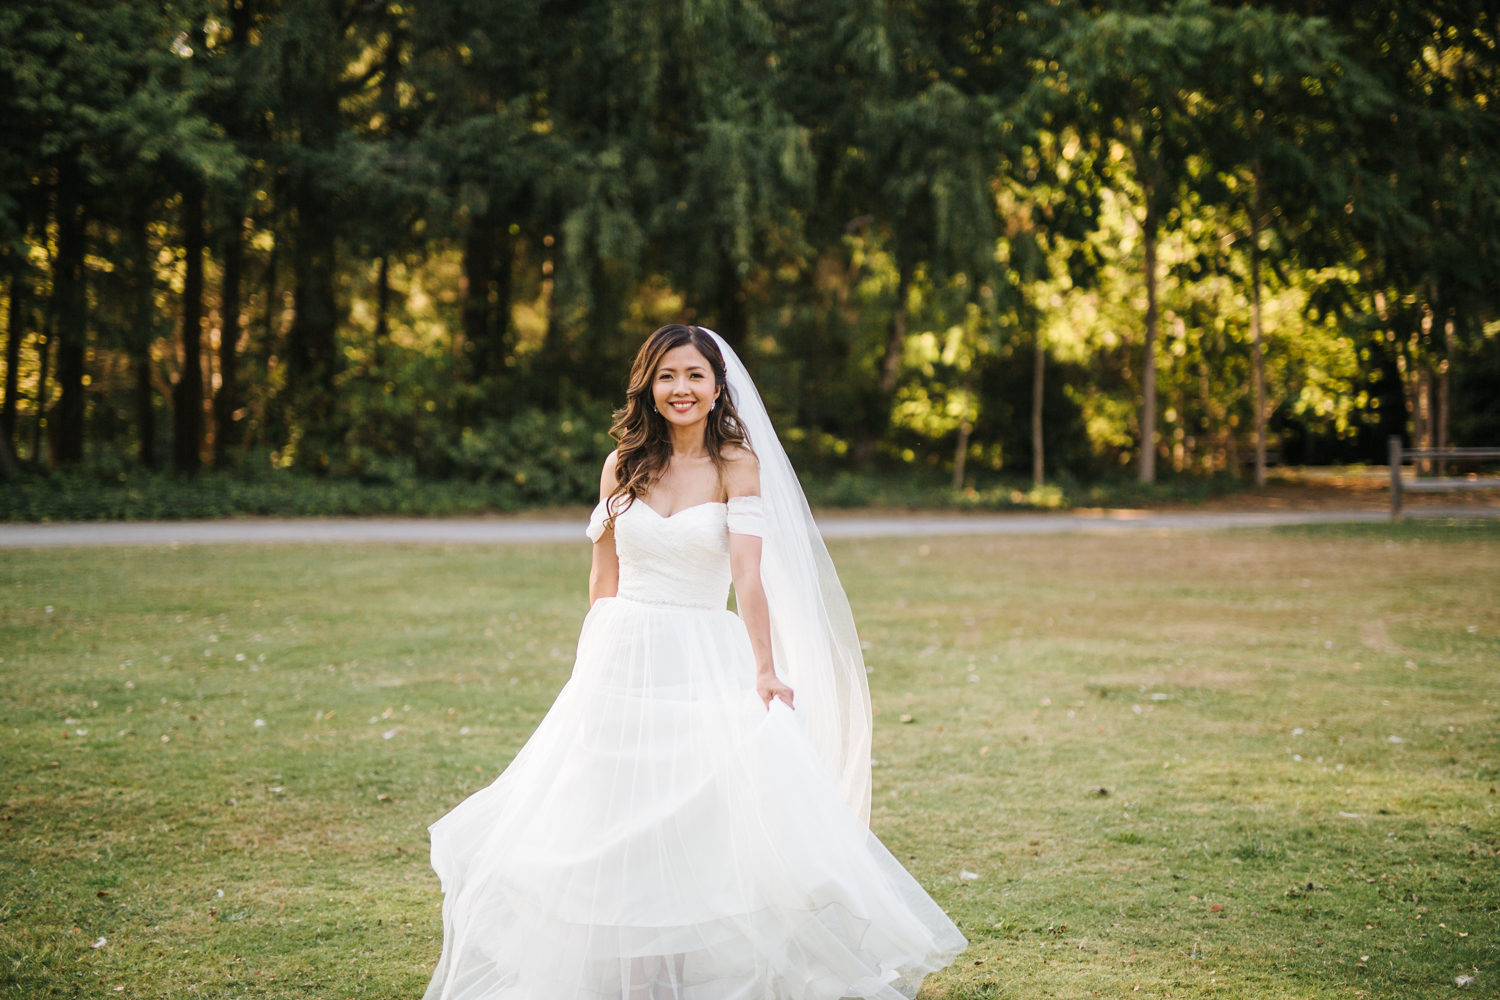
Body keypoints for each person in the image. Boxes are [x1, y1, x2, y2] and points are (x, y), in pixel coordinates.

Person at [423, 324, 966, 1000]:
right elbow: (603, 576)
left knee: (696, 816)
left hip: (702, 653)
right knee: (612, 816)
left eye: (694, 376)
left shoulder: (737, 464)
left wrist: (764, 669)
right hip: (621, 655)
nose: (681, 389)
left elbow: (750, 576)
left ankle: (684, 974)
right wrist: (590, 662)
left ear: (716, 388)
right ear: (650, 386)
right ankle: (630, 975)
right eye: (668, 376)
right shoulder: (623, 464)